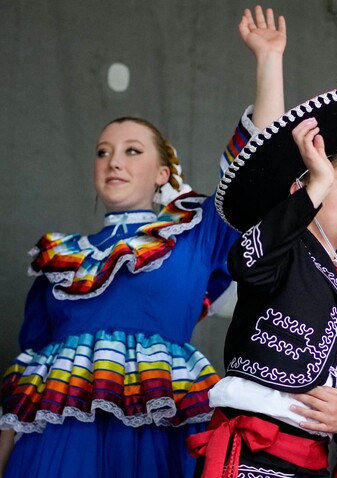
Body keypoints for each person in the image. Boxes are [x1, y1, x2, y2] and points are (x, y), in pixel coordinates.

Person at [0, 6, 286, 477]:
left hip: (157, 433)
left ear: (161, 173)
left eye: (133, 151)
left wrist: (268, 60)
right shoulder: (59, 259)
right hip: (55, 448)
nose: (114, 161)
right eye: (103, 152)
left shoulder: (195, 231)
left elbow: (258, 168)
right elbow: (23, 389)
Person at [186, 86, 337, 477]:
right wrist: (316, 184)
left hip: (312, 466)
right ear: (303, 189)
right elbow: (246, 262)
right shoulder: (283, 250)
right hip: (251, 459)